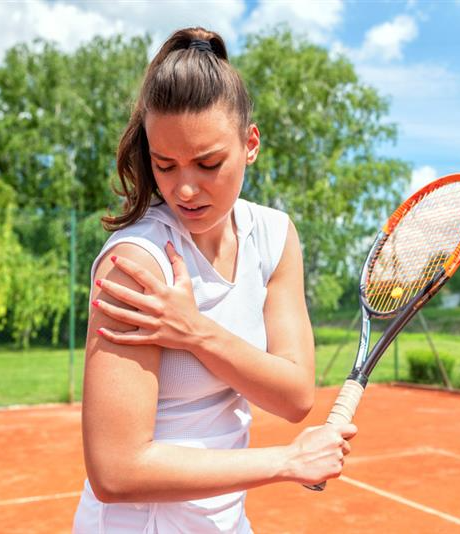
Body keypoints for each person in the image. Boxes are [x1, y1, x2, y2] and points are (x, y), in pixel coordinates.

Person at [72, 27, 356, 533]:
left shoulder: (273, 235)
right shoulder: (136, 264)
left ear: (250, 144)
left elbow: (294, 395)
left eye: (208, 163)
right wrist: (286, 463)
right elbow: (116, 471)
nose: (184, 188)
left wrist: (196, 333)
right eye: (165, 164)